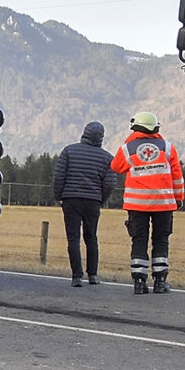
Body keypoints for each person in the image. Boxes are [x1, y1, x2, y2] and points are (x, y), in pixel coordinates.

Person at [111, 111, 185, 294]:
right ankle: (160, 282)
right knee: (161, 240)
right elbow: (177, 176)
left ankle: (139, 282)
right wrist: (179, 199)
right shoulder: (168, 147)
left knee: (139, 240)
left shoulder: (127, 148)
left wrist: (131, 142)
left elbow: (116, 167)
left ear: (135, 127)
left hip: (137, 205)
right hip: (164, 204)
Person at [52, 120, 117, 286]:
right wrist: (100, 199)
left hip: (71, 199)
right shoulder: (107, 158)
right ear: (101, 137)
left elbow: (59, 176)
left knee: (73, 238)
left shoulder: (69, 151)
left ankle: (77, 276)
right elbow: (110, 183)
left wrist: (59, 196)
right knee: (91, 237)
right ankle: (93, 275)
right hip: (93, 201)